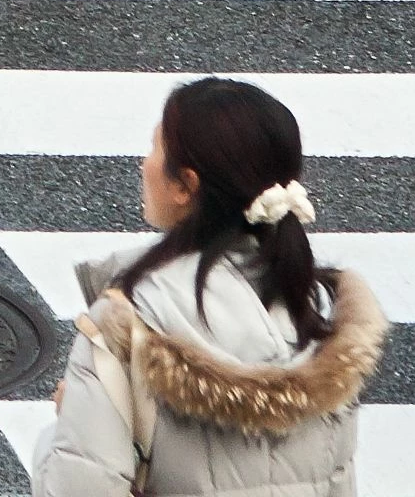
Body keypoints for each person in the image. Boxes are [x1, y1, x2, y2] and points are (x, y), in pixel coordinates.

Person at [36, 80, 385, 497]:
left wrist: (60, 428)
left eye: (154, 148)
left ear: (185, 185)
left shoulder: (128, 324)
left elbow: (78, 488)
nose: (143, 163)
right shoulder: (325, 315)